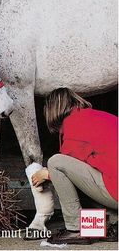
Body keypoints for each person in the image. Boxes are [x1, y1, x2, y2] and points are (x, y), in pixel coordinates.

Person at [32, 88, 118, 244]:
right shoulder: (99, 116)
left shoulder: (74, 123)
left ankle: (76, 229)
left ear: (52, 109)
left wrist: (46, 174)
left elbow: (64, 169)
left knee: (55, 163)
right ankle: (108, 225)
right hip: (113, 184)